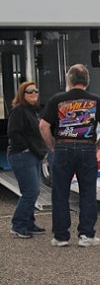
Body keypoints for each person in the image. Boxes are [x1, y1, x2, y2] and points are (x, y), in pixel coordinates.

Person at [39, 64, 100, 247]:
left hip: (63, 148)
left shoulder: (58, 100)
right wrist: (97, 145)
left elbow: (43, 125)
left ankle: (60, 237)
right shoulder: (96, 101)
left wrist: (52, 145)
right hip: (87, 149)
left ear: (69, 80)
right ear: (87, 81)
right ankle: (86, 235)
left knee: (60, 193)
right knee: (88, 192)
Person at [7, 82, 49, 239]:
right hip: (21, 156)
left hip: (34, 155)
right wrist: (26, 148)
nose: (33, 93)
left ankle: (29, 223)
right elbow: (13, 133)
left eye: (35, 91)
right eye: (29, 91)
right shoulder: (18, 110)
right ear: (22, 94)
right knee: (32, 191)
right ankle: (18, 225)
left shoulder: (34, 111)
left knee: (30, 191)